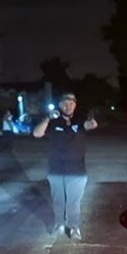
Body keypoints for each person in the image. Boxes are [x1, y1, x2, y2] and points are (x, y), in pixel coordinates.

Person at [32, 92, 98, 241]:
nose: (68, 106)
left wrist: (90, 116)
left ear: (75, 105)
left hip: (77, 171)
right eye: (65, 103)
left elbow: (92, 125)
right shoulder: (54, 121)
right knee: (58, 200)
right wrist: (48, 118)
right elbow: (37, 133)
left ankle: (74, 226)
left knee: (74, 202)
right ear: (60, 105)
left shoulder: (80, 120)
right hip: (56, 169)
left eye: (71, 103)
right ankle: (59, 224)